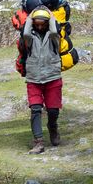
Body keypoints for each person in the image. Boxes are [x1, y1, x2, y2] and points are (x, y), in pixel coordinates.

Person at [16, 8, 63, 154]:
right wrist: (30, 16)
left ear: (48, 23)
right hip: (33, 79)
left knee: (53, 110)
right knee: (35, 110)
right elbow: (24, 32)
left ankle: (52, 127)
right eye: (37, 24)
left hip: (53, 78)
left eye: (43, 23)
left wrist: (51, 15)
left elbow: (55, 31)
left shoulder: (54, 37)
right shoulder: (28, 38)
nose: (40, 26)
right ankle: (38, 142)